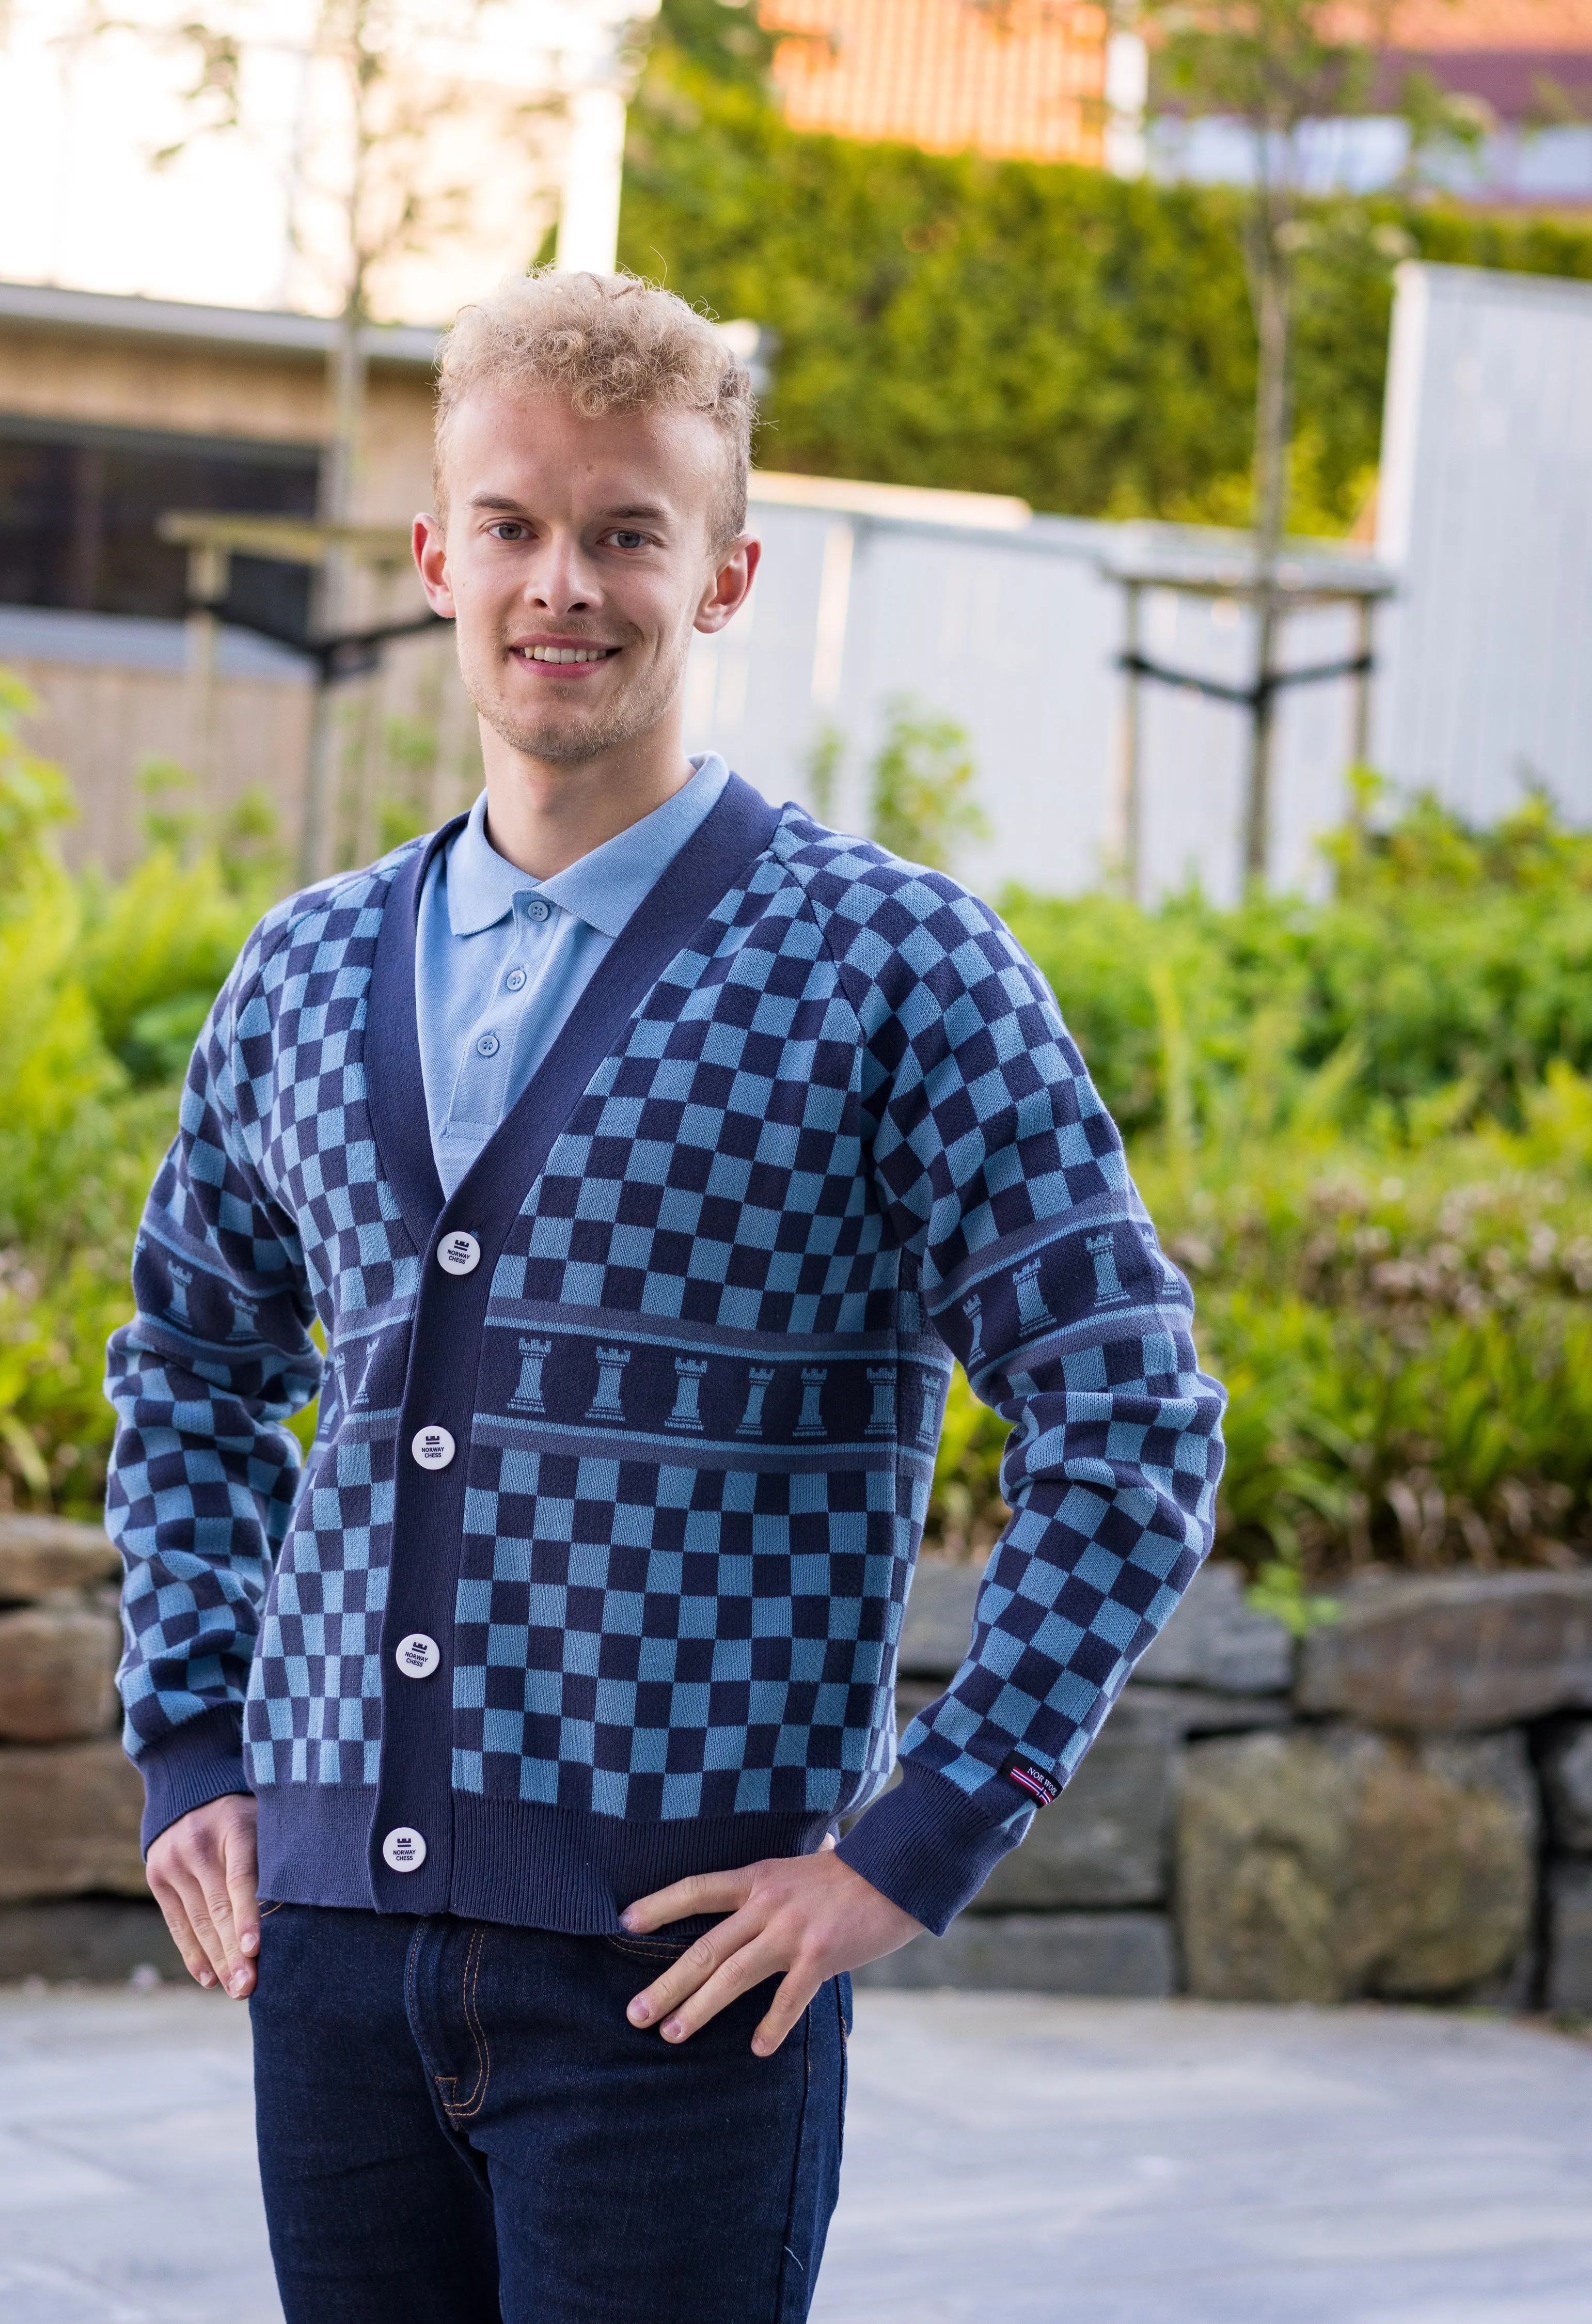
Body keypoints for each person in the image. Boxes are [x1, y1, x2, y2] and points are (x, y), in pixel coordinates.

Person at [104, 270, 1226, 2324]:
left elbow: (1132, 1422)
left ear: (723, 575)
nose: (565, 584)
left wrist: (924, 1833)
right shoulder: (303, 970)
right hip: (332, 1962)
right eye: (516, 527)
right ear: (441, 553)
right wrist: (193, 1735)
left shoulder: (900, 974)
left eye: (628, 531)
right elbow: (191, 1370)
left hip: (682, 1981)